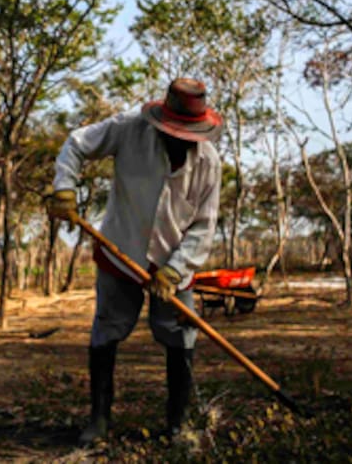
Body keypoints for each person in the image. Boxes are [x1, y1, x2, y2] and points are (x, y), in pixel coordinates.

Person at [46, 77, 223, 447]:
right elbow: (76, 144)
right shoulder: (129, 129)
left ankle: (177, 423)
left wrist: (175, 270)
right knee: (107, 330)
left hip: (174, 264)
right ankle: (99, 419)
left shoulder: (209, 162)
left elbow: (203, 226)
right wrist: (64, 188)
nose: (180, 138)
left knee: (180, 336)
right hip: (121, 252)